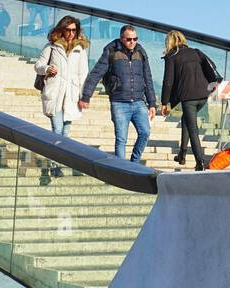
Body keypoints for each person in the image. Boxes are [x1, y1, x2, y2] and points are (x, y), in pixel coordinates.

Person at [80, 25, 157, 163]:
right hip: (119, 102)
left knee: (145, 132)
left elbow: (147, 78)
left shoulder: (141, 52)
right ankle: (122, 168)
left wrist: (152, 103)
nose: (132, 42)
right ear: (122, 38)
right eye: (128, 39)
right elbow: (96, 73)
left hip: (139, 102)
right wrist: (86, 96)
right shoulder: (111, 51)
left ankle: (134, 163)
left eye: (135, 39)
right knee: (121, 138)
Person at [35, 16, 90, 177]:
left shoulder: (80, 49)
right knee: (57, 129)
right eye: (68, 29)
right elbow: (38, 65)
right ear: (62, 29)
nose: (71, 33)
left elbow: (83, 74)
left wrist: (84, 96)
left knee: (65, 132)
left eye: (74, 30)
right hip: (55, 94)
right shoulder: (51, 47)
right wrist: (47, 69)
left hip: (71, 96)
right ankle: (54, 166)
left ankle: (60, 163)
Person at [159, 30, 219, 171]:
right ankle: (182, 154)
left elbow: (168, 81)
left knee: (193, 130)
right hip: (203, 95)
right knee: (186, 119)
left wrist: (164, 102)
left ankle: (200, 162)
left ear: (169, 42)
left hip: (189, 98)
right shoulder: (196, 52)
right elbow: (212, 66)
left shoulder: (171, 56)